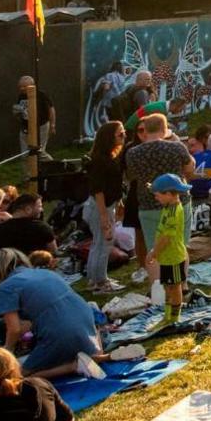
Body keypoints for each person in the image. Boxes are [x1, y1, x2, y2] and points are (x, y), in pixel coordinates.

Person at [0, 248, 104, 380]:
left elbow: (14, 329)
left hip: (62, 331)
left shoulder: (5, 288)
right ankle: (95, 355)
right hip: (86, 321)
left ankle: (73, 366)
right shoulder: (45, 272)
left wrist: (7, 351)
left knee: (16, 376)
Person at [123, 113, 193, 286]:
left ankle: (157, 290)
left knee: (153, 249)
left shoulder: (132, 153)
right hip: (177, 201)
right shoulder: (176, 147)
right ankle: (180, 286)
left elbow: (131, 176)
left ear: (145, 130)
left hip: (148, 203)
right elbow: (189, 168)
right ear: (164, 129)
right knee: (179, 245)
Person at [82, 121, 126, 293]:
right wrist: (104, 216)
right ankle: (101, 282)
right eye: (120, 134)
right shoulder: (100, 161)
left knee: (98, 244)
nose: (124, 136)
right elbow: (98, 190)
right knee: (104, 244)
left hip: (104, 205)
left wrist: (118, 201)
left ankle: (94, 280)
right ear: (109, 138)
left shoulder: (106, 157)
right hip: (100, 207)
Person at [146, 173, 191, 329]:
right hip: (166, 256)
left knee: (175, 286)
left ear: (169, 194)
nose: (156, 198)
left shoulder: (173, 211)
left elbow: (166, 238)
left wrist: (154, 252)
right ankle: (167, 315)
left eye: (158, 195)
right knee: (167, 286)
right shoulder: (168, 206)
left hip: (173, 256)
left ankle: (174, 317)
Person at [0, 191, 57, 257]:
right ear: (28, 209)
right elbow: (54, 253)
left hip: (2, 271)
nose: (42, 210)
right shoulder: (42, 228)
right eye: (40, 206)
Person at [12, 75, 55, 154]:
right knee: (25, 153)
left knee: (39, 152)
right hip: (26, 127)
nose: (22, 89)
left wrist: (52, 125)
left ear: (32, 85)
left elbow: (51, 109)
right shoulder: (21, 96)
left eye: (24, 86)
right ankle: (27, 165)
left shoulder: (41, 95)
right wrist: (17, 113)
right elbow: (18, 112)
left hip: (41, 126)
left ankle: (53, 164)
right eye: (20, 87)